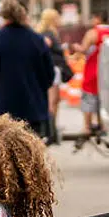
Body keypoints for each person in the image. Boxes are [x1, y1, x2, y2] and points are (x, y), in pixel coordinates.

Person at [0, 0, 54, 139]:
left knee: (3, 159)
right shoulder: (37, 41)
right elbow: (48, 77)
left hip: (0, 114)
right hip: (33, 113)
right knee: (30, 158)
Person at [75, 9, 109, 137]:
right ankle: (103, 126)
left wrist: (76, 48)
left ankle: (87, 127)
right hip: (108, 72)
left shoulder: (93, 32)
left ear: (98, 18)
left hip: (93, 70)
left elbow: (83, 49)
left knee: (89, 98)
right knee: (103, 100)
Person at [35, 8, 66, 144]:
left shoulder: (48, 33)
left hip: (53, 69)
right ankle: (49, 132)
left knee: (55, 100)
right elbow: (43, 49)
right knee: (52, 101)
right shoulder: (48, 34)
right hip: (52, 69)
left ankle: (51, 130)